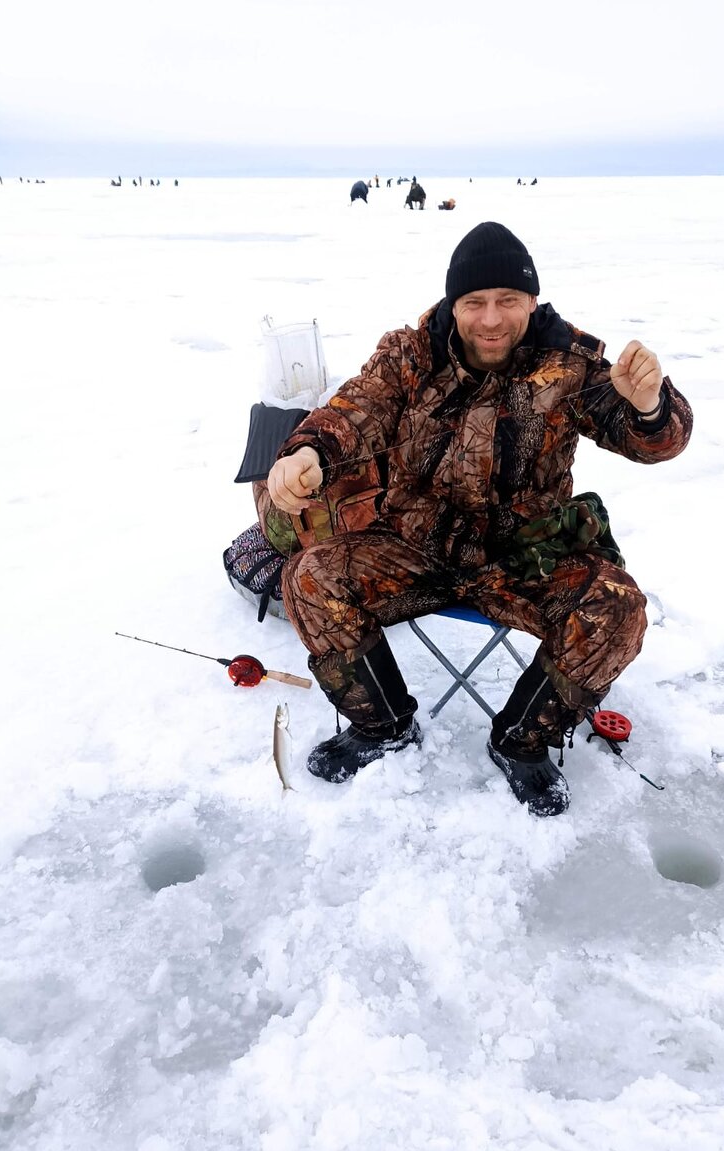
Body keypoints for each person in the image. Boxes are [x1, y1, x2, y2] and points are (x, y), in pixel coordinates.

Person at [266, 222, 692, 816]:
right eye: (475, 302)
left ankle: (522, 740)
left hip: (525, 557)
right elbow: (355, 410)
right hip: (414, 547)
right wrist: (306, 452)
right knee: (311, 577)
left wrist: (648, 406)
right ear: (454, 304)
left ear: (532, 301)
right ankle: (382, 726)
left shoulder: (569, 362)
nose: (491, 319)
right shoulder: (410, 355)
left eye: (508, 300)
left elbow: (656, 442)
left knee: (618, 608)